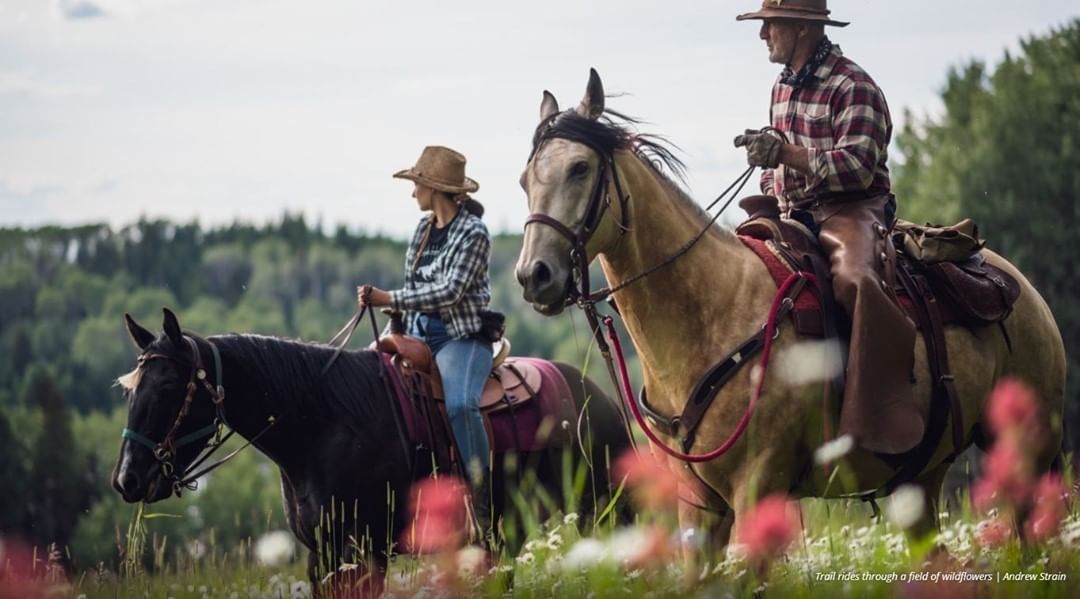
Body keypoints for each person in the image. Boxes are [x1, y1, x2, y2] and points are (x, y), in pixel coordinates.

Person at [733, 0, 921, 454]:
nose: (763, 35)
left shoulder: (854, 85)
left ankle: (872, 413)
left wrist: (784, 154)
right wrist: (768, 169)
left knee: (857, 282)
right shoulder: (782, 86)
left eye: (770, 25)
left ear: (800, 28)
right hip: (793, 211)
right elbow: (779, 165)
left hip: (851, 209)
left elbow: (857, 166)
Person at [356, 145, 496, 531]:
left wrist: (389, 297)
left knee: (460, 406)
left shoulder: (474, 234)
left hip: (459, 336)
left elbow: (450, 292)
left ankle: (483, 496)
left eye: (417, 183)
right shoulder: (421, 231)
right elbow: (414, 286)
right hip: (416, 331)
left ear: (434, 188)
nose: (412, 191)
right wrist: (390, 316)